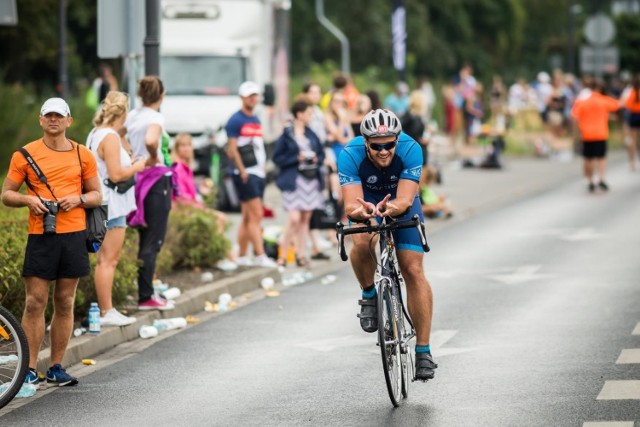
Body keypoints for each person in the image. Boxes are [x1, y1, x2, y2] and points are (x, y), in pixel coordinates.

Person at [1, 97, 102, 387]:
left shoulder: (83, 155)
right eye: (49, 116)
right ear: (41, 120)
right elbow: (6, 194)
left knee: (65, 301)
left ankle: (56, 366)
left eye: (59, 115)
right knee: (35, 302)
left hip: (73, 234)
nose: (54, 120)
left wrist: (78, 199)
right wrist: (28, 200)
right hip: (41, 235)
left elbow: (97, 195)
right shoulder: (24, 154)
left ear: (69, 121)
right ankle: (29, 368)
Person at [337, 109, 437, 381]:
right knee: (361, 239)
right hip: (365, 202)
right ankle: (369, 294)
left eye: (389, 144)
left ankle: (423, 351)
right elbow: (350, 204)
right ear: (365, 143)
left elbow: (405, 200)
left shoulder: (410, 148)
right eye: (376, 146)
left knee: (413, 269)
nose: (384, 151)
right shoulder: (349, 154)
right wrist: (365, 211)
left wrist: (388, 208)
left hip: (400, 201)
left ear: (397, 139)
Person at [87, 91, 145, 326]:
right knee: (109, 259)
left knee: (104, 259)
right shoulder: (109, 136)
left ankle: (105, 309)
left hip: (103, 203)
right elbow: (116, 174)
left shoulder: (95, 133)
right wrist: (137, 166)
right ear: (122, 112)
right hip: (112, 205)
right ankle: (106, 311)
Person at [124, 76, 175, 310]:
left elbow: (119, 136)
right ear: (161, 96)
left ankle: (146, 291)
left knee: (145, 237)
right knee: (153, 239)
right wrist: (152, 157)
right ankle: (146, 296)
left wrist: (132, 154)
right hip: (156, 180)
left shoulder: (133, 115)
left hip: (138, 179)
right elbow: (151, 139)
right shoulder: (156, 117)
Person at [225, 81, 277, 268]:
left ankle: (242, 255)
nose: (253, 99)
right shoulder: (235, 120)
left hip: (257, 172)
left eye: (255, 95)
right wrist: (242, 170)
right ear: (242, 98)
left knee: (247, 217)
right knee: (256, 214)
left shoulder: (255, 119)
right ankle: (261, 255)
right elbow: (231, 149)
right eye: (250, 96)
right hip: (246, 173)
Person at [171, 133, 237, 271]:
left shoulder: (186, 167)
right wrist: (199, 207)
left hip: (190, 206)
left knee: (220, 218)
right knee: (219, 218)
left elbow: (189, 191)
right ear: (176, 148)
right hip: (182, 209)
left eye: (189, 145)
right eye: (182, 145)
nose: (186, 148)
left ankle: (225, 256)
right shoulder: (177, 167)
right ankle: (221, 256)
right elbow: (180, 196)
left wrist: (199, 189)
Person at [272, 99, 326, 269]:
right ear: (299, 114)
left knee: (305, 218)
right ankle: (282, 254)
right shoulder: (287, 134)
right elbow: (277, 158)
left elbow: (321, 153)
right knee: (294, 218)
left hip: (310, 179)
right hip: (293, 180)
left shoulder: (311, 133)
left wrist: (316, 159)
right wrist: (296, 158)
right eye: (308, 113)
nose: (310, 116)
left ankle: (301, 254)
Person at [570, 79, 620, 192]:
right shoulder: (603, 100)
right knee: (601, 158)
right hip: (601, 134)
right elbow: (617, 105)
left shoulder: (583, 102)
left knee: (589, 159)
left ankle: (590, 180)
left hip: (587, 134)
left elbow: (574, 115)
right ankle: (601, 179)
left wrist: (575, 133)